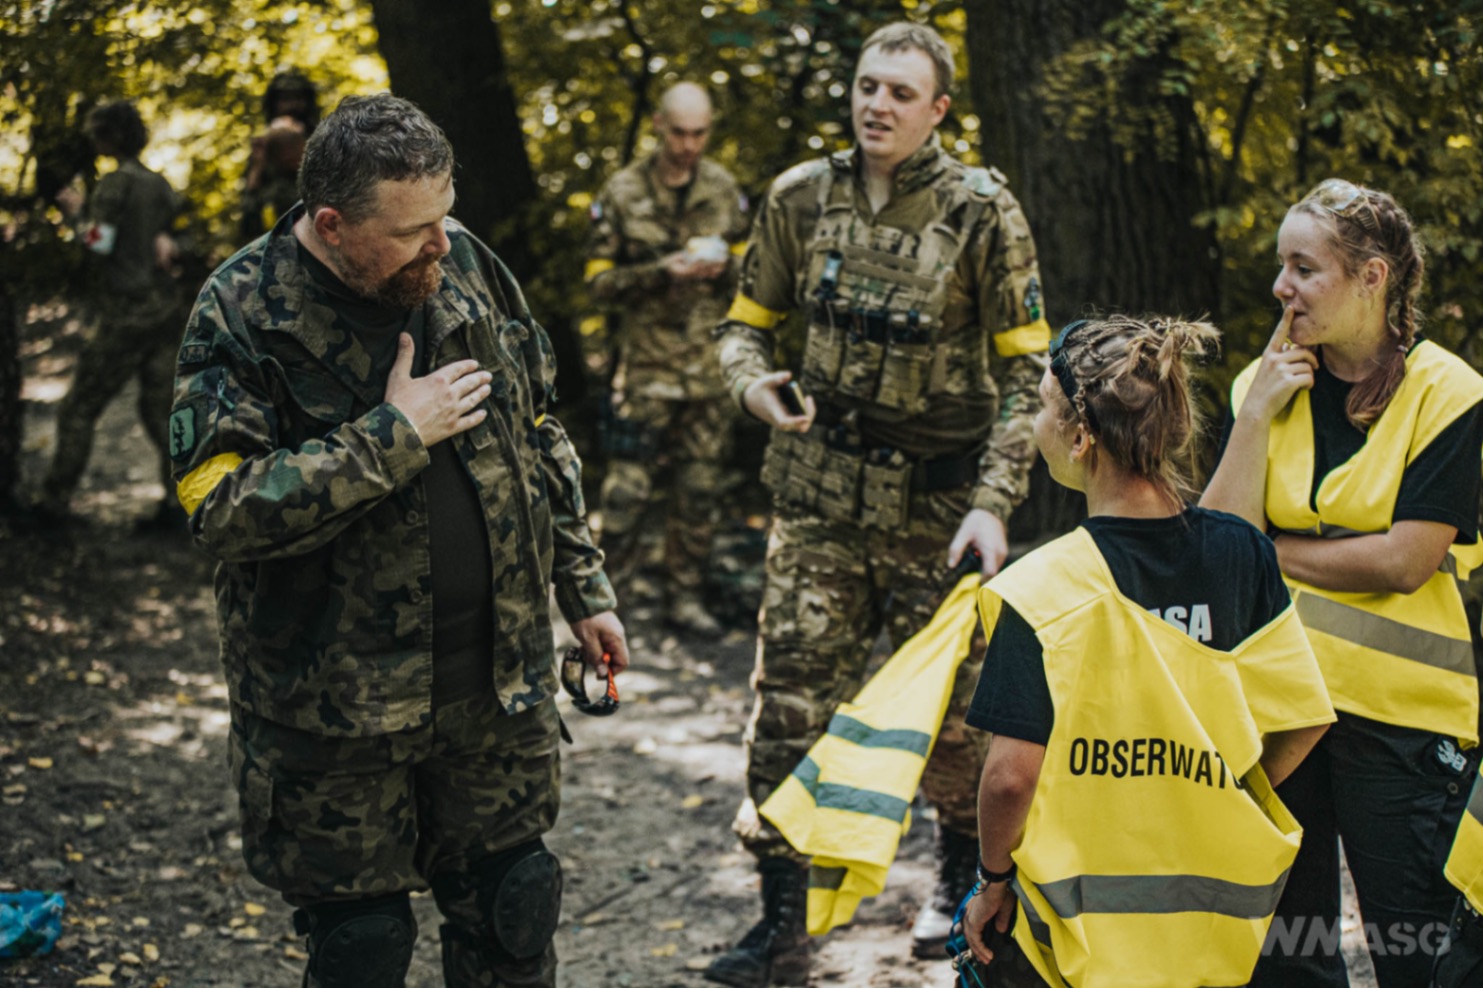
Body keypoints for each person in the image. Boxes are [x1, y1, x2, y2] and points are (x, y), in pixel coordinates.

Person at [168, 93, 628, 988]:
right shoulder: (241, 311)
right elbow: (220, 511)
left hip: (492, 693)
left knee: (513, 913)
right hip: (335, 713)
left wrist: (583, 589)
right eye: (414, 229)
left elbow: (537, 432)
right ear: (332, 225)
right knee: (361, 950)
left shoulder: (468, 269)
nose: (442, 245)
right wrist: (393, 436)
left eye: (445, 215)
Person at [704, 22, 1049, 986]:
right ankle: (780, 920)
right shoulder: (797, 198)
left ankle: (949, 893)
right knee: (785, 712)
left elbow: (1029, 378)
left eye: (901, 92)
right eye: (866, 86)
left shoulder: (983, 213)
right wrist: (753, 388)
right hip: (816, 502)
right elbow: (742, 330)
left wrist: (991, 502)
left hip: (938, 516)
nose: (877, 105)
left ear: (939, 109)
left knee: (955, 722)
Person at [959, 315, 1335, 987]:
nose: (1039, 425)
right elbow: (1301, 717)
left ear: (1079, 437)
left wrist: (991, 879)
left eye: (1046, 410)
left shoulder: (1041, 589)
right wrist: (1216, 800)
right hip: (1212, 912)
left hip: (1078, 927)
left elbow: (1009, 778)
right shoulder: (1239, 553)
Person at [1202, 179, 1483, 987]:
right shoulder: (1263, 386)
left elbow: (1405, 561)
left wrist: (1272, 547)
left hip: (1400, 721)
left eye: (1303, 267)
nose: (1280, 287)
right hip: (1275, 710)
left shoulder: (1450, 393)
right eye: (1280, 267)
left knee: (1418, 952)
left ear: (1372, 278)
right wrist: (1254, 412)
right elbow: (1220, 544)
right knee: (1288, 956)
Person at [584, 82, 750, 637]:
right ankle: (611, 604)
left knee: (699, 493)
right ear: (658, 124)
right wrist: (661, 272)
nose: (688, 144)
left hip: (707, 371)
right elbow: (597, 281)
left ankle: (685, 601)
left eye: (699, 132)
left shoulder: (724, 188)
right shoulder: (624, 190)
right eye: (679, 131)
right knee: (626, 494)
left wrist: (721, 268)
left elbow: (753, 272)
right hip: (647, 372)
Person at [41, 100, 183, 527]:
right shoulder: (158, 183)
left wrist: (72, 213)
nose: (91, 139)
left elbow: (98, 243)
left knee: (78, 408)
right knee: (162, 413)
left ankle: (52, 505)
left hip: (126, 314)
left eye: (97, 132)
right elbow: (172, 239)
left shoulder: (115, 184)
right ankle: (178, 507)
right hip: (163, 310)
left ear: (112, 136)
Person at [240, 69, 320, 242]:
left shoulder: (325, 141)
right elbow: (249, 213)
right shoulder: (263, 148)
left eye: (298, 98)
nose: (292, 106)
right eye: (285, 99)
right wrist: (258, 167)